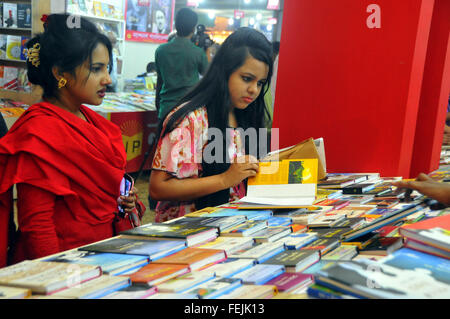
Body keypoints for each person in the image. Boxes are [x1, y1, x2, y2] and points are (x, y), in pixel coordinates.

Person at [0, 14, 143, 267]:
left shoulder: (91, 119)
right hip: (66, 263)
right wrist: (60, 279)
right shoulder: (40, 132)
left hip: (105, 254)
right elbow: (38, 226)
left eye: (106, 68)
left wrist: (124, 200)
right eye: (96, 69)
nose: (107, 80)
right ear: (59, 73)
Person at [149, 27, 273, 222]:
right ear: (225, 70)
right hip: (190, 231)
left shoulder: (249, 117)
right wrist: (224, 179)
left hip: (234, 227)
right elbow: (158, 188)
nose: (253, 90)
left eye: (260, 83)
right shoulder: (192, 119)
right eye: (247, 79)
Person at [154, 7, 209, 120]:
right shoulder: (198, 53)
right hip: (188, 110)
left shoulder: (161, 50)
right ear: (193, 29)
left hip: (166, 108)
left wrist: (158, 105)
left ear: (175, 25)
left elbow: (160, 81)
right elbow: (207, 75)